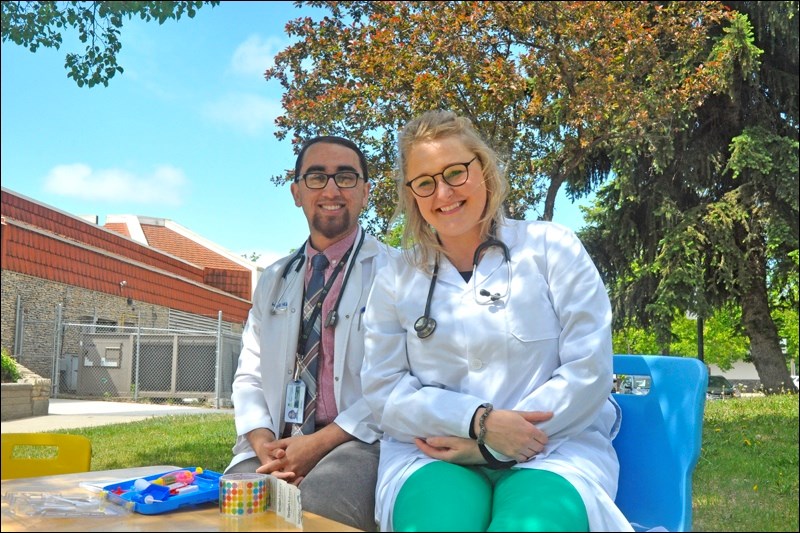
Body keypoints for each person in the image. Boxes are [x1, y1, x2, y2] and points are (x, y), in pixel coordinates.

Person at [361, 110, 632, 532]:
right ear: (412, 194)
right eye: (425, 182)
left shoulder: (551, 248)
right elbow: (385, 392)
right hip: (435, 453)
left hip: (553, 450)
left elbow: (588, 370)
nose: (443, 192)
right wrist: (477, 423)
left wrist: (494, 444)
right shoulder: (396, 278)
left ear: (483, 169)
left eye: (455, 172)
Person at [226, 135, 386, 532]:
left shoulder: (395, 273)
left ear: (365, 192)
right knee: (230, 507)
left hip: (359, 440)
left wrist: (316, 445)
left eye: (346, 178)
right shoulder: (274, 279)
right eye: (317, 177)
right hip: (276, 440)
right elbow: (249, 376)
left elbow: (395, 382)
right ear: (297, 192)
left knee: (317, 512)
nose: (331, 189)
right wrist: (266, 446)